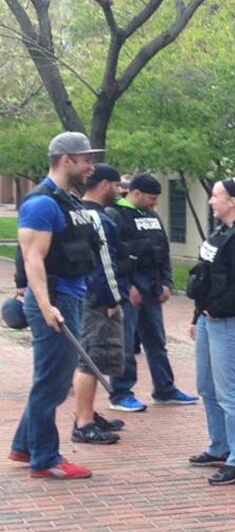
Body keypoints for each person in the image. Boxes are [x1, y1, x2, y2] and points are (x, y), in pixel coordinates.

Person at [8, 131, 101, 479]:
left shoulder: (67, 200)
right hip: (55, 300)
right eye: (86, 159)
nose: (91, 165)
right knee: (53, 382)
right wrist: (47, 307)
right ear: (67, 160)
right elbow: (33, 259)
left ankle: (24, 446)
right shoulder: (41, 203)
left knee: (52, 380)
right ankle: (46, 459)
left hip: (69, 297)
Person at [186, 176, 235, 485]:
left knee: (228, 392)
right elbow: (205, 276)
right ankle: (219, 446)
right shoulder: (222, 232)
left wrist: (215, 311)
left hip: (227, 322)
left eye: (216, 195)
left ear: (233, 201)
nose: (211, 201)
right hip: (209, 320)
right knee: (207, 386)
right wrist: (198, 315)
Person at [108, 173, 198, 411]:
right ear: (135, 193)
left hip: (152, 289)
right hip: (129, 291)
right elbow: (111, 258)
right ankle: (121, 393)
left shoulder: (152, 216)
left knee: (157, 341)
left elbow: (163, 251)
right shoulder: (115, 215)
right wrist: (127, 287)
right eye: (151, 198)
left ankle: (165, 389)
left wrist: (168, 283)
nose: (154, 204)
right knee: (126, 344)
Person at [71, 163, 127, 445]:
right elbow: (105, 263)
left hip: (81, 294)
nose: (120, 191)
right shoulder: (97, 218)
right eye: (117, 185)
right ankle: (83, 423)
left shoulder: (76, 211)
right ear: (105, 184)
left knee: (90, 357)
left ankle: (88, 413)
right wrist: (112, 298)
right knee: (91, 360)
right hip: (96, 299)